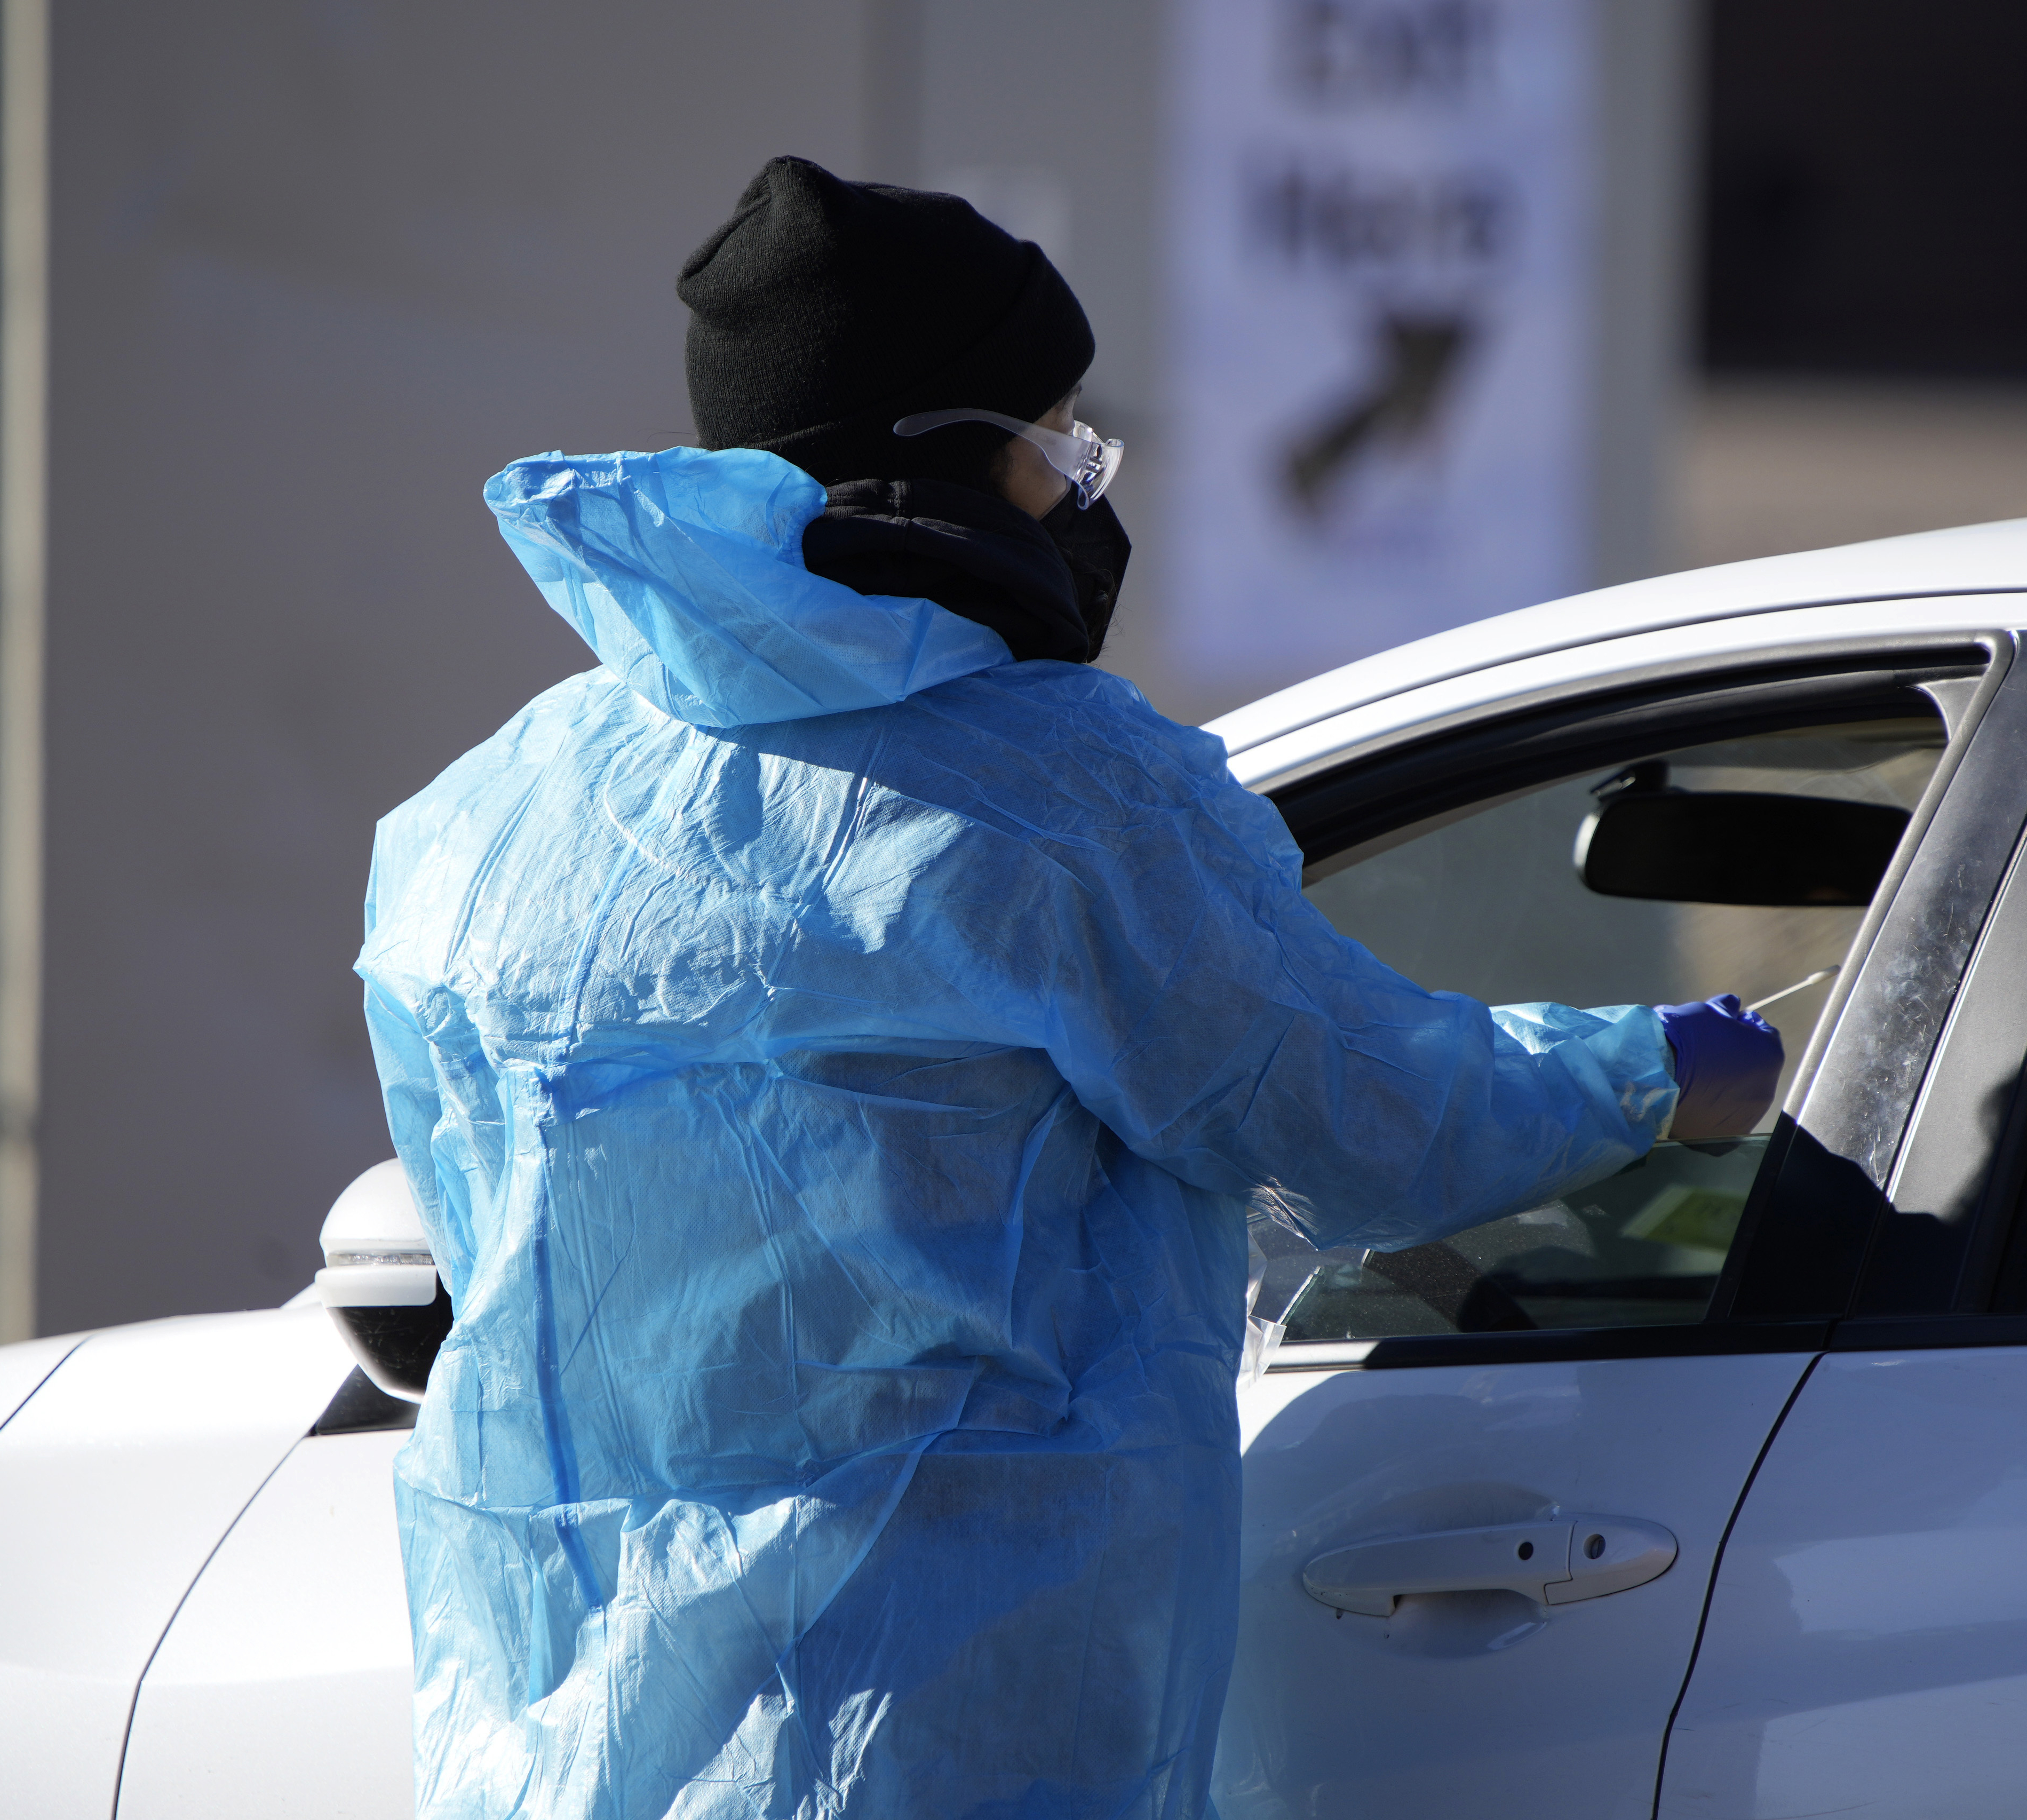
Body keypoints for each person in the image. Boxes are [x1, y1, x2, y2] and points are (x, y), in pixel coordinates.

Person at [357, 156, 1781, 1820]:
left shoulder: (485, 819)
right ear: (942, 455)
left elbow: (483, 1234)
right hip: (945, 1741)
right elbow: (1358, 1114)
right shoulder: (1064, 800)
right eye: (1059, 445)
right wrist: (1653, 1072)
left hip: (560, 1760)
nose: (1081, 493)